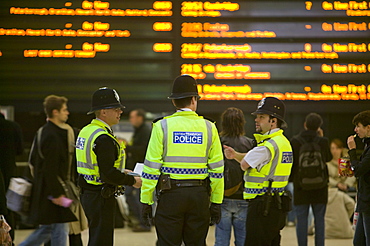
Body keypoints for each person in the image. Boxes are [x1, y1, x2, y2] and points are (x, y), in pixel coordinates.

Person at [140, 75, 224, 246]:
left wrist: (146, 201)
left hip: (170, 196)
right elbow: (217, 169)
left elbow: (151, 168)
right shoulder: (209, 127)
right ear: (194, 99)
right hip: (199, 196)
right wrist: (216, 201)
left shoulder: (161, 126)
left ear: (174, 102)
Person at [76, 87, 142, 246]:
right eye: (116, 108)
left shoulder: (87, 131)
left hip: (89, 193)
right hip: (101, 196)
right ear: (103, 112)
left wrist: (122, 171)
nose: (120, 112)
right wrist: (132, 181)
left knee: (97, 237)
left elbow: (96, 166)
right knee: (102, 240)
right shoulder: (103, 138)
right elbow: (107, 174)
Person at [224, 97, 293, 246]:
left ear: (273, 121)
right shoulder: (283, 142)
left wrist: (237, 157)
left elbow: (245, 164)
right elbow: (256, 160)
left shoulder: (266, 146)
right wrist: (235, 154)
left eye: (261, 117)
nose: (256, 120)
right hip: (278, 203)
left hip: (262, 206)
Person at [20, 95, 78, 246]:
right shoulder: (52, 136)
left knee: (54, 228)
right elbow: (50, 169)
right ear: (55, 112)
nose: (68, 113)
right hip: (53, 193)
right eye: (64, 110)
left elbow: (34, 162)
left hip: (48, 191)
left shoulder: (43, 132)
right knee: (55, 229)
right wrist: (58, 194)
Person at [290, 113, 332, 246]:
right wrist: (320, 137)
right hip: (320, 186)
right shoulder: (323, 141)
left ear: (305, 125)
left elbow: (292, 163)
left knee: (301, 220)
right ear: (319, 127)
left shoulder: (295, 141)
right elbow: (328, 158)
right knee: (319, 220)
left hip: (300, 186)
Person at [215, 107, 254, 246]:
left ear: (223, 123)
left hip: (222, 196)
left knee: (221, 240)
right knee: (243, 240)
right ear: (242, 123)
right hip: (243, 196)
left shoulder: (217, 142)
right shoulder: (249, 143)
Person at [125, 109, 152, 232]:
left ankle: (144, 222)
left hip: (142, 169)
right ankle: (138, 219)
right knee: (129, 194)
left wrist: (127, 147)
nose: (131, 120)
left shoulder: (145, 131)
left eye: (132, 117)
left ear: (140, 118)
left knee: (140, 197)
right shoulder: (138, 131)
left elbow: (143, 150)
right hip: (135, 168)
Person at [347, 110, 370, 245]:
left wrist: (352, 151)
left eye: (358, 126)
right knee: (358, 242)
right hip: (364, 201)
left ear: (368, 127)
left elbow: (359, 170)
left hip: (368, 202)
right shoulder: (367, 144)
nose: (356, 130)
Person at [0, 112, 24, 242]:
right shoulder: (13, 126)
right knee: (8, 206)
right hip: (9, 170)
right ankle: (9, 237)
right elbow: (20, 150)